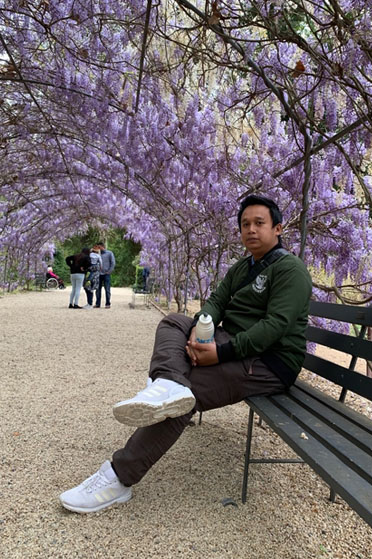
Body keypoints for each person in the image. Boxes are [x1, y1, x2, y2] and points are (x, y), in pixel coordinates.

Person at [60, 195, 313, 513]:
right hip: (233, 344)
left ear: (277, 228)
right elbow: (217, 300)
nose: (251, 229)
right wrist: (200, 326)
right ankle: (168, 383)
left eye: (259, 223)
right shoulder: (243, 266)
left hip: (269, 362)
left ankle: (118, 479)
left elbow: (274, 327)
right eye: (245, 224)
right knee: (174, 322)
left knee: (185, 399)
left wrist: (219, 353)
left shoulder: (290, 269)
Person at [95, 243, 115, 308]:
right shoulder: (97, 254)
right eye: (97, 247)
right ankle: (98, 303)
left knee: (107, 289)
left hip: (106, 274)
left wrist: (109, 271)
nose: (98, 249)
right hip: (98, 274)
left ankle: (108, 303)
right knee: (98, 289)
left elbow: (113, 263)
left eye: (99, 247)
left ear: (103, 247)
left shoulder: (109, 253)